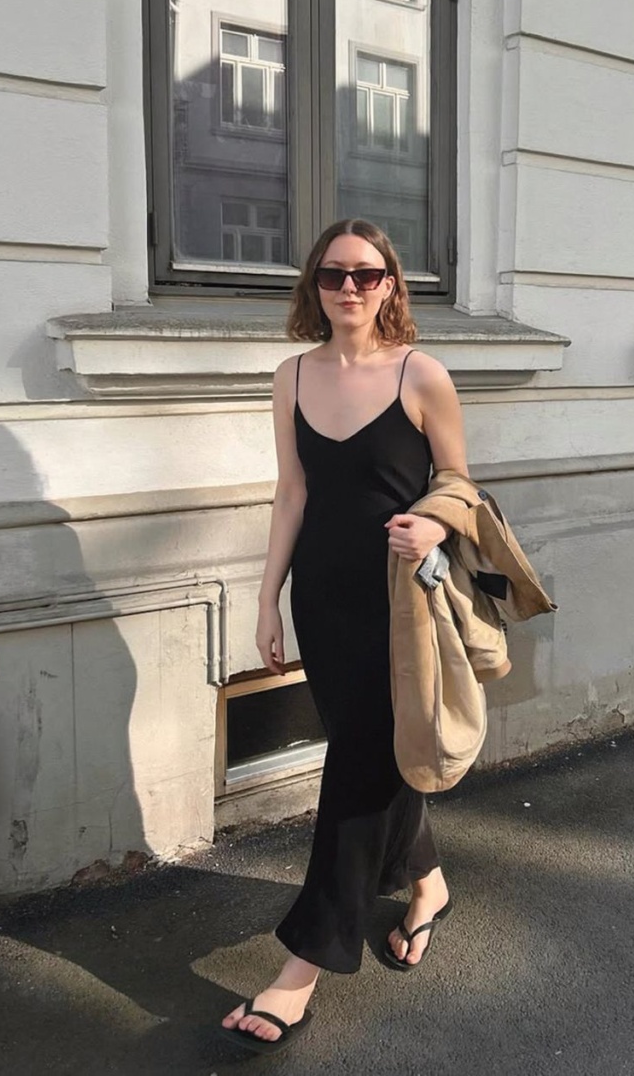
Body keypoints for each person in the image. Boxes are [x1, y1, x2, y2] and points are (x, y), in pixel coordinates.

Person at [220, 219, 468, 1053]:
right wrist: (265, 600)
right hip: (321, 600)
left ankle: (303, 969)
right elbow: (291, 494)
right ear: (314, 287)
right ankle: (426, 882)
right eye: (333, 275)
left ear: (392, 284)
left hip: (402, 604)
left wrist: (434, 527)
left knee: (358, 765)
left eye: (367, 275)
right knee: (375, 752)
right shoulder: (291, 377)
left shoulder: (421, 374)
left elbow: (460, 482)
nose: (350, 288)